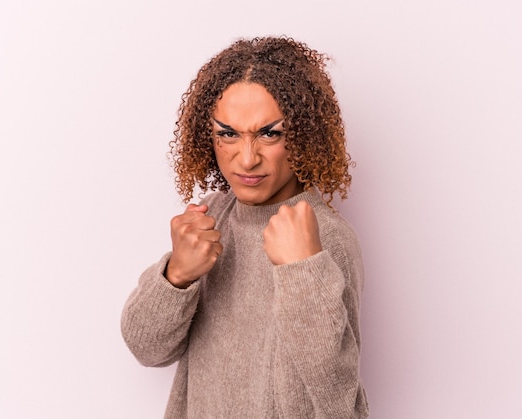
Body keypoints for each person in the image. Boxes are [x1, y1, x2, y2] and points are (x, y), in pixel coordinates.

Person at [121, 36, 369, 418]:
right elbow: (146, 349)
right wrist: (176, 276)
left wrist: (303, 273)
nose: (247, 158)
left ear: (303, 135)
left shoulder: (324, 238)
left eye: (270, 133)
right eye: (228, 133)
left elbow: (341, 406)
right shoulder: (211, 216)